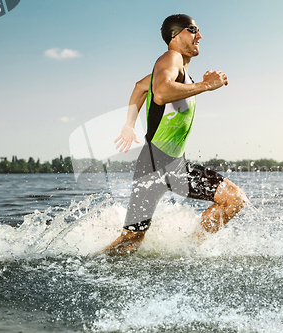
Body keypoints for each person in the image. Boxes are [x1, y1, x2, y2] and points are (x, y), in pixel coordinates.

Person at [103, 14, 245, 255]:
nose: (199, 35)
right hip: (158, 165)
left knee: (131, 241)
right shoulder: (171, 57)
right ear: (175, 35)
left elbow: (141, 86)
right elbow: (159, 92)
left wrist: (129, 125)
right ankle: (188, 251)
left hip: (165, 166)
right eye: (193, 30)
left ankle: (187, 251)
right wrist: (206, 86)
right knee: (233, 199)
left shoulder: (181, 71)